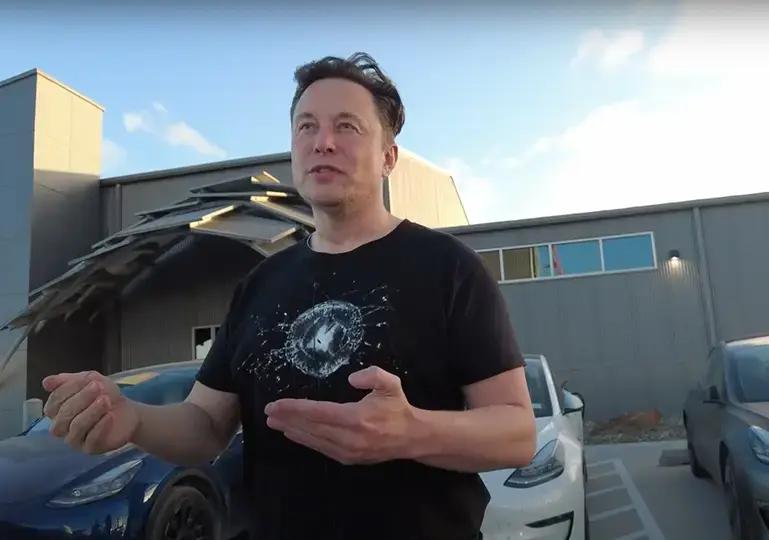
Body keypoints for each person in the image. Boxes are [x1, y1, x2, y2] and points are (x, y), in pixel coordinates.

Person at [41, 52, 536, 540]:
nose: (322, 142)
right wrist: (132, 418)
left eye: (347, 126)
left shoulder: (448, 267)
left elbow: (516, 433)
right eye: (306, 126)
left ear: (388, 157)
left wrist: (412, 433)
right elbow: (205, 425)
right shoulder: (261, 283)